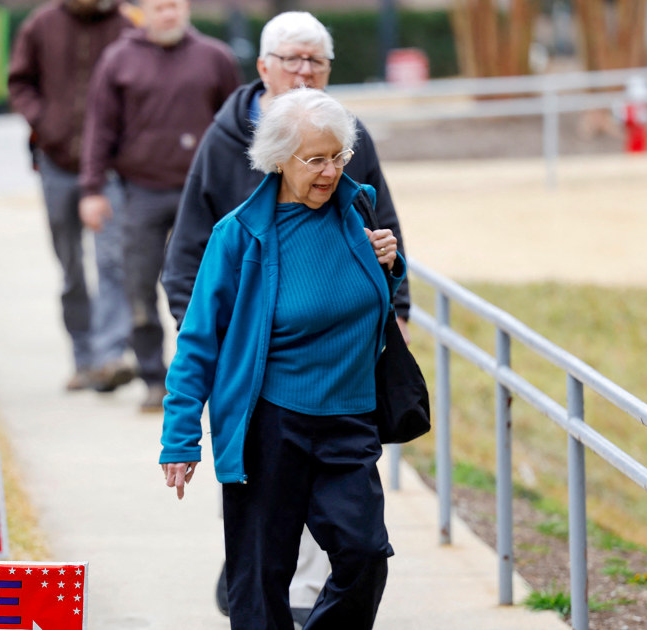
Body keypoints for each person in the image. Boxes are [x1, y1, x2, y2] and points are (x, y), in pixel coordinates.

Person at [162, 15, 410, 622]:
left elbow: (369, 302)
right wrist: (180, 434)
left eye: (339, 157)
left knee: (364, 555)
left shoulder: (358, 213)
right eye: (315, 160)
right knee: (259, 579)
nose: (330, 172)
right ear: (278, 159)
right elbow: (198, 341)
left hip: (349, 420)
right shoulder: (239, 235)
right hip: (270, 423)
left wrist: (391, 270)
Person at [79, 0, 240, 411]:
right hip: (142, 192)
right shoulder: (118, 59)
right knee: (138, 285)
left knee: (212, 284)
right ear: (143, 12)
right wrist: (92, 189)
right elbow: (99, 127)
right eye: (159, 6)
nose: (168, 13)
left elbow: (238, 127)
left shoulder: (215, 57)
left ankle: (214, 372)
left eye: (174, 5)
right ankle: (154, 378)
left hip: (203, 194)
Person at [7, 0, 136, 393]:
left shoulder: (126, 27)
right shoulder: (41, 24)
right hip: (57, 162)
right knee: (71, 267)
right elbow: (19, 82)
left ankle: (110, 355)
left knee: (112, 260)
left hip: (110, 165)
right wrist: (45, 121)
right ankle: (83, 358)